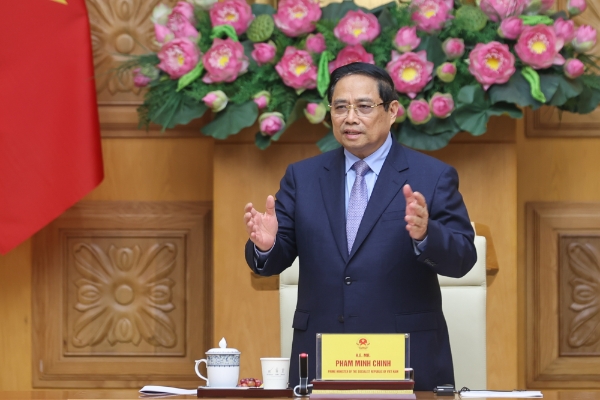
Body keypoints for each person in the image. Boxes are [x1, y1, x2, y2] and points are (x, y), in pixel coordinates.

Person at [243, 62, 477, 391]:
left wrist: (427, 235)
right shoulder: (303, 178)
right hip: (322, 359)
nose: (350, 118)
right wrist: (267, 246)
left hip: (407, 359)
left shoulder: (432, 176)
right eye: (340, 107)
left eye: (364, 106)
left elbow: (463, 258)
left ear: (392, 111)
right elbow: (272, 261)